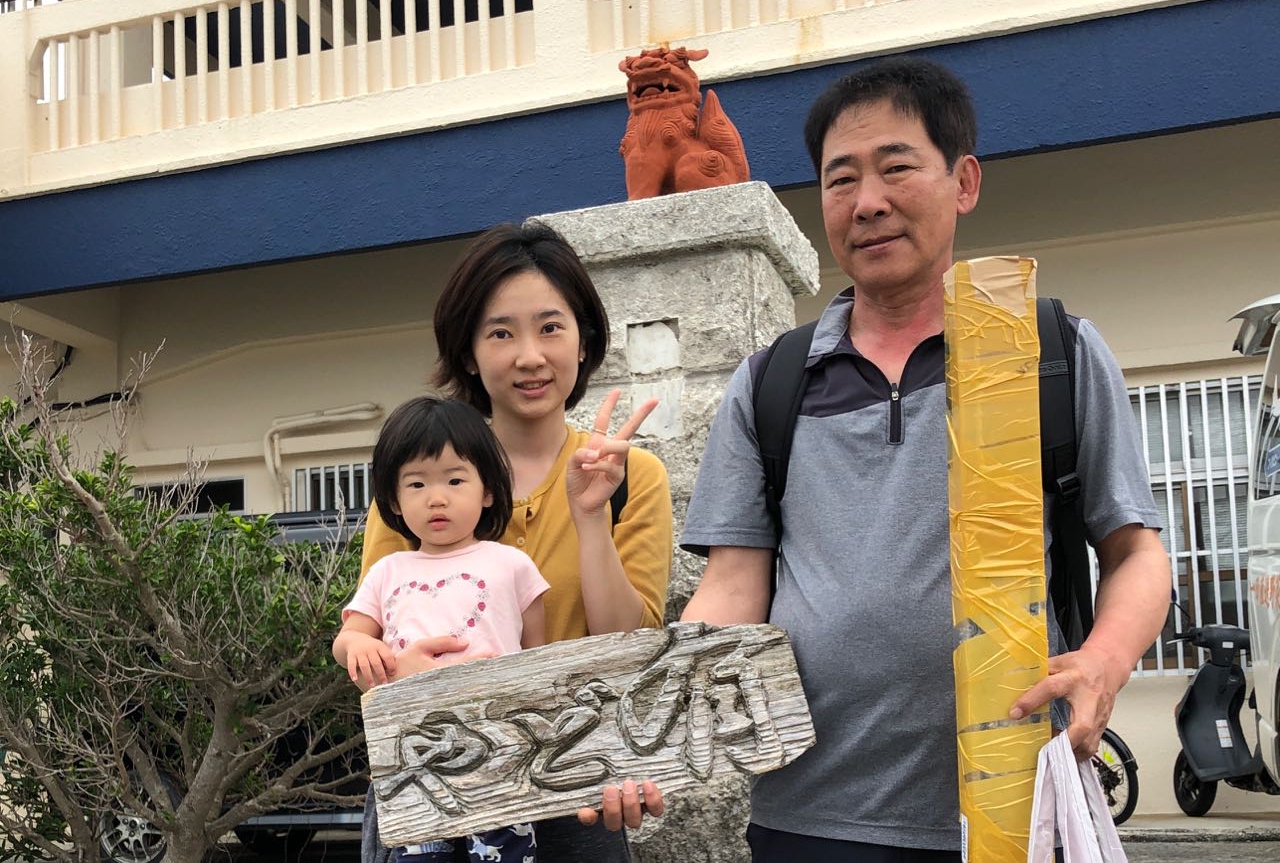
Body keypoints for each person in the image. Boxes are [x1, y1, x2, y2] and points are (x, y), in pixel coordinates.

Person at [671, 57, 1173, 861]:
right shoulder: (772, 383)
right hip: (806, 815)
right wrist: (661, 725)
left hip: (1013, 807)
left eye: (896, 167)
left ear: (963, 182)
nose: (867, 202)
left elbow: (1135, 552)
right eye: (841, 180)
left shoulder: (1047, 351)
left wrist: (1104, 664)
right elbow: (732, 587)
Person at [358, 221, 672, 861]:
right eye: (501, 332)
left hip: (577, 787)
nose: (530, 356)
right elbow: (370, 640)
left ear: (584, 341)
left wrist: (590, 516)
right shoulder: (417, 484)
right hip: (430, 781)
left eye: (551, 327)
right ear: (469, 354)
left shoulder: (633, 475)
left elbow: (628, 650)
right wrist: (394, 672)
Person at [335, 395, 547, 863]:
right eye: (416, 483)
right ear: (393, 499)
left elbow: (537, 657)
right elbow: (348, 639)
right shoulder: (388, 570)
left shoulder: (513, 565)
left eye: (455, 479)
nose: (437, 497)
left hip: (500, 756)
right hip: (413, 758)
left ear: (487, 489)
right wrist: (365, 649)